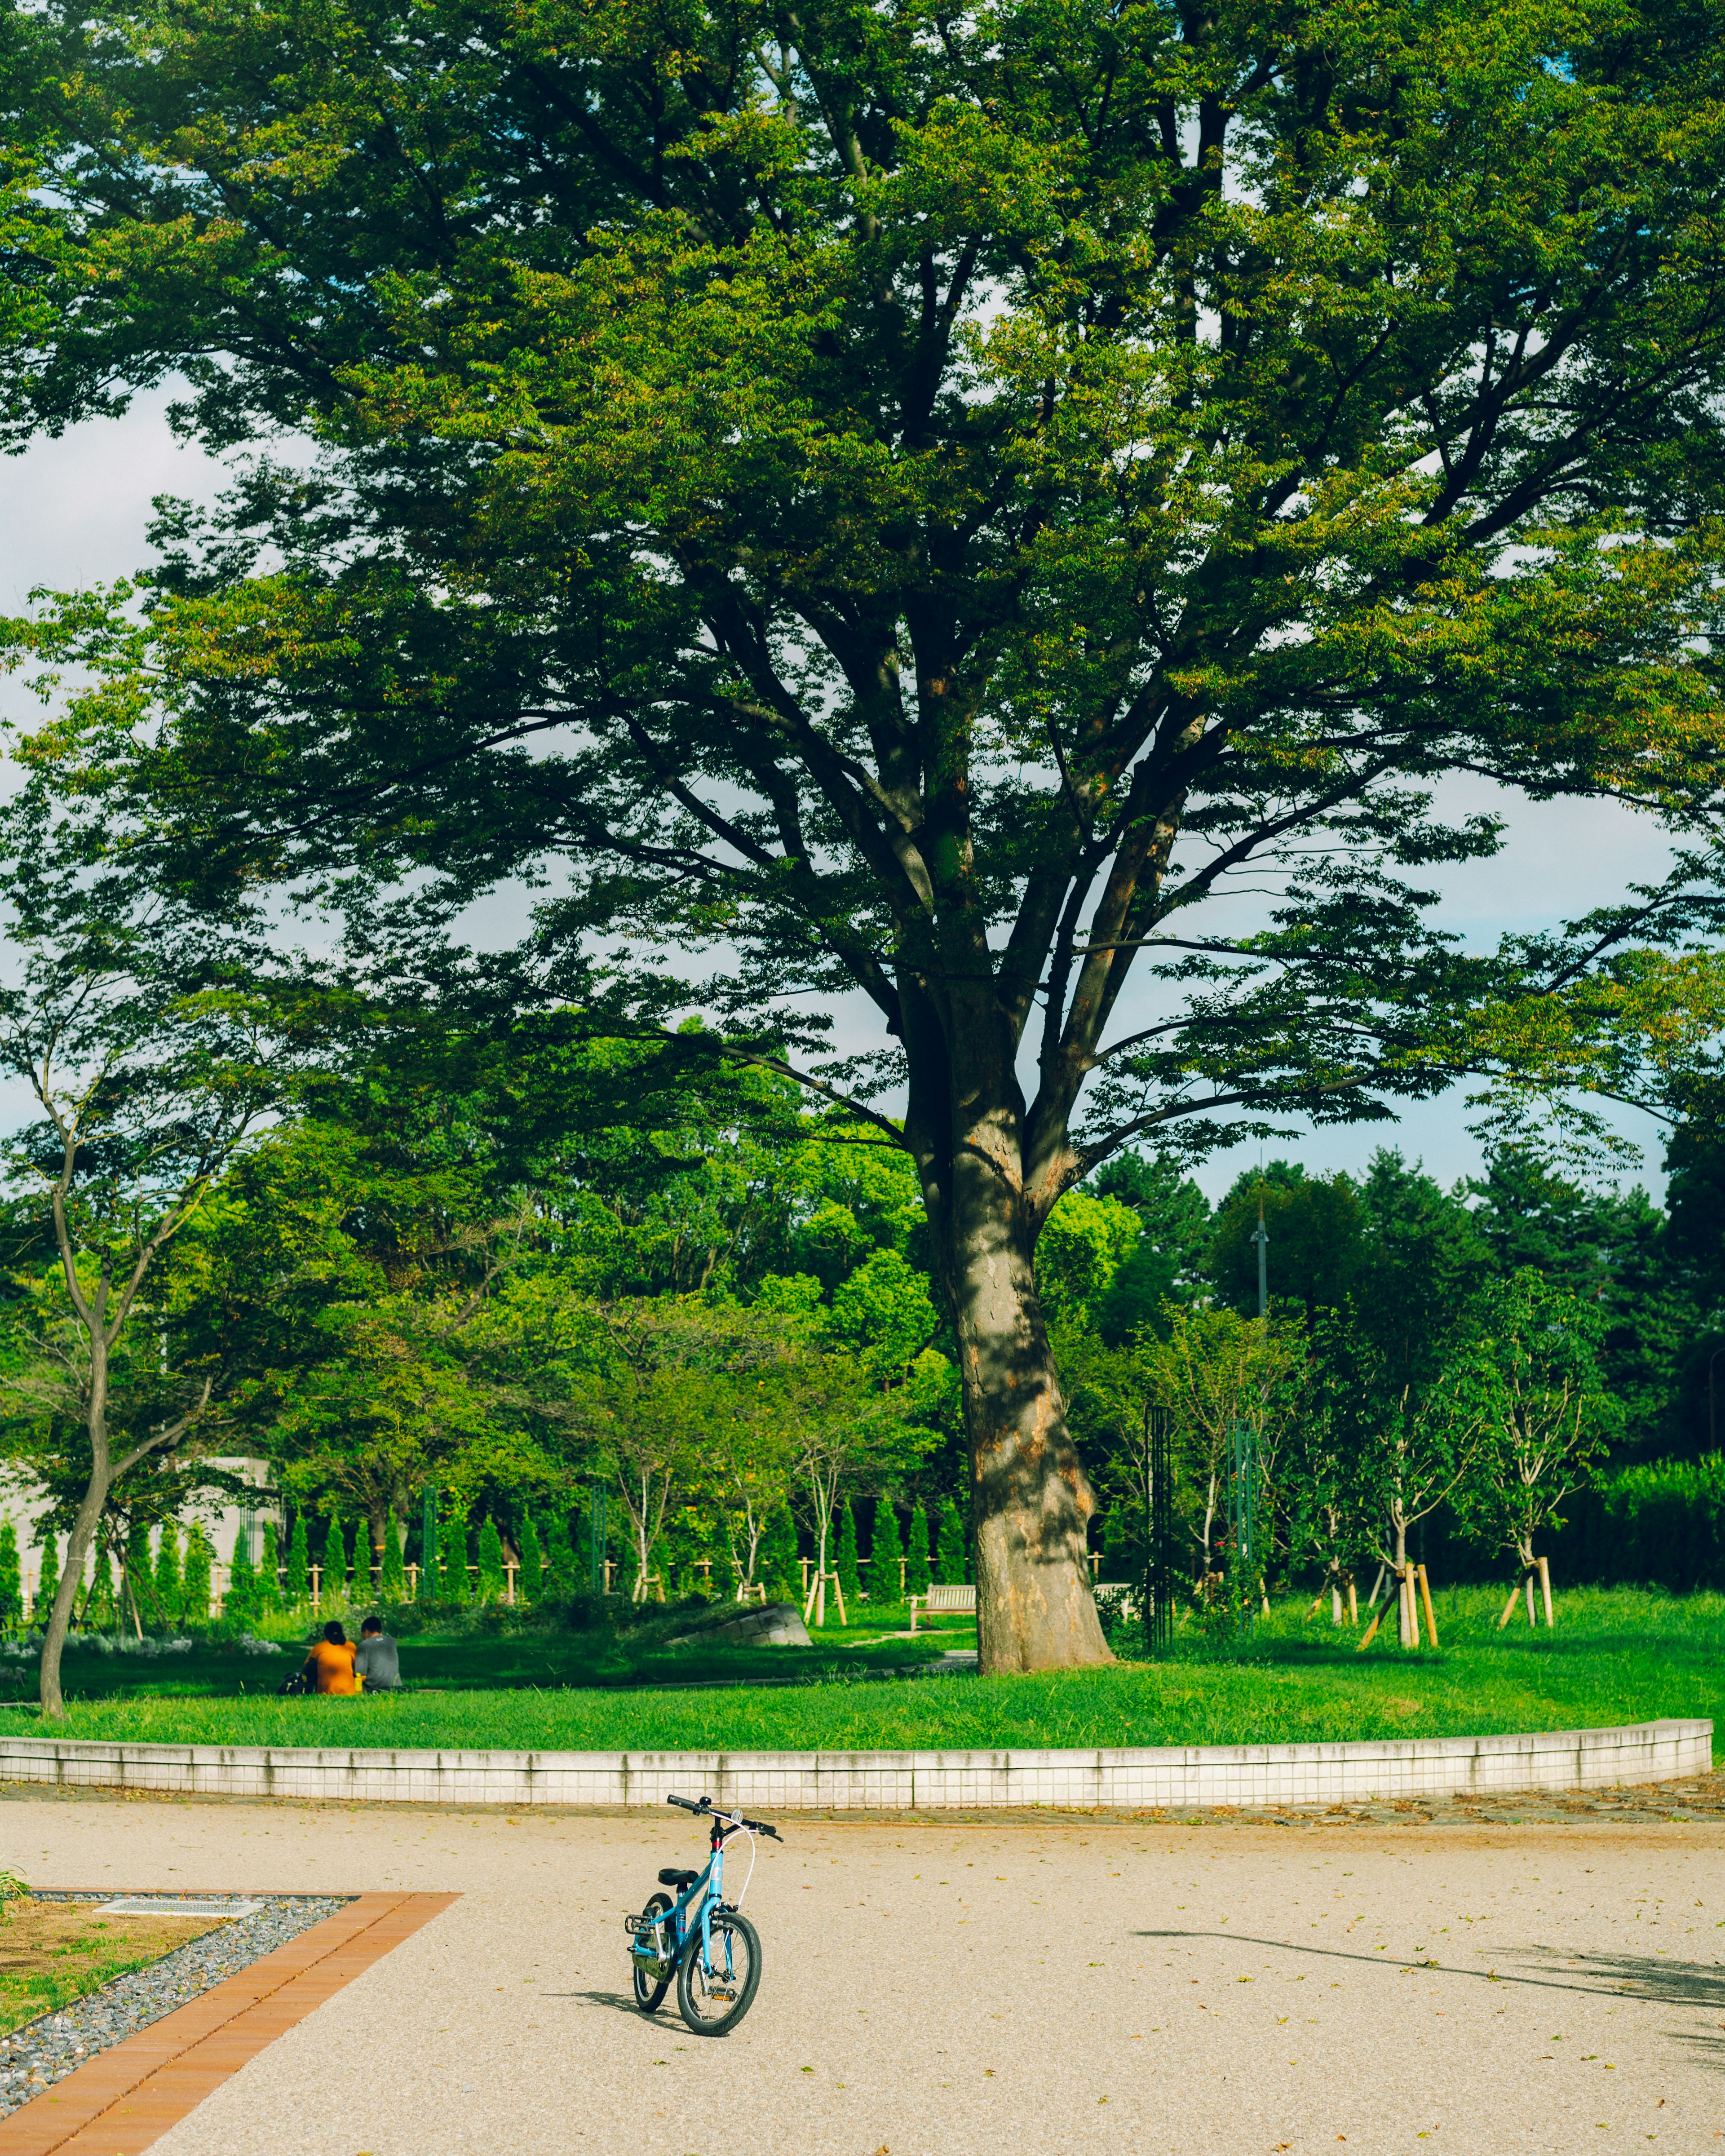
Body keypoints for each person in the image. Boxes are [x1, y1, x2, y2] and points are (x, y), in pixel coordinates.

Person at [301, 1620, 360, 1695]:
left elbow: (306, 1668)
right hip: (349, 1692)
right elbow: (358, 1668)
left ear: (326, 1635)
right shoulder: (351, 1646)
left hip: (324, 1692)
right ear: (342, 1633)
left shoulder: (319, 1648)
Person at [355, 1615, 402, 1693]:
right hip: (395, 1686)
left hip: (375, 1688)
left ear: (366, 1631)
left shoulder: (364, 1646)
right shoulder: (392, 1641)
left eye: (363, 1634)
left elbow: (361, 1676)